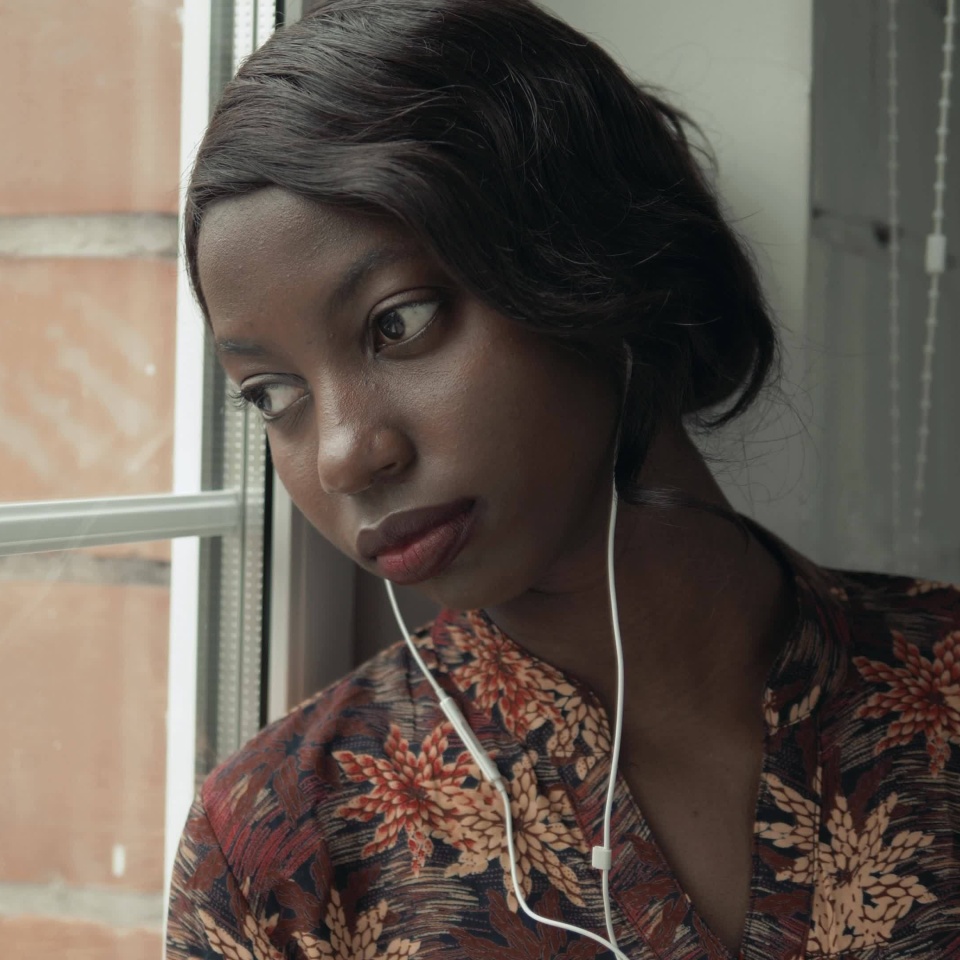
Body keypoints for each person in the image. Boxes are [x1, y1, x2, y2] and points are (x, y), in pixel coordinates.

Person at [165, 0, 960, 957]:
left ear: (596, 262)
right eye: (272, 393)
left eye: (400, 323)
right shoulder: (277, 841)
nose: (342, 453)